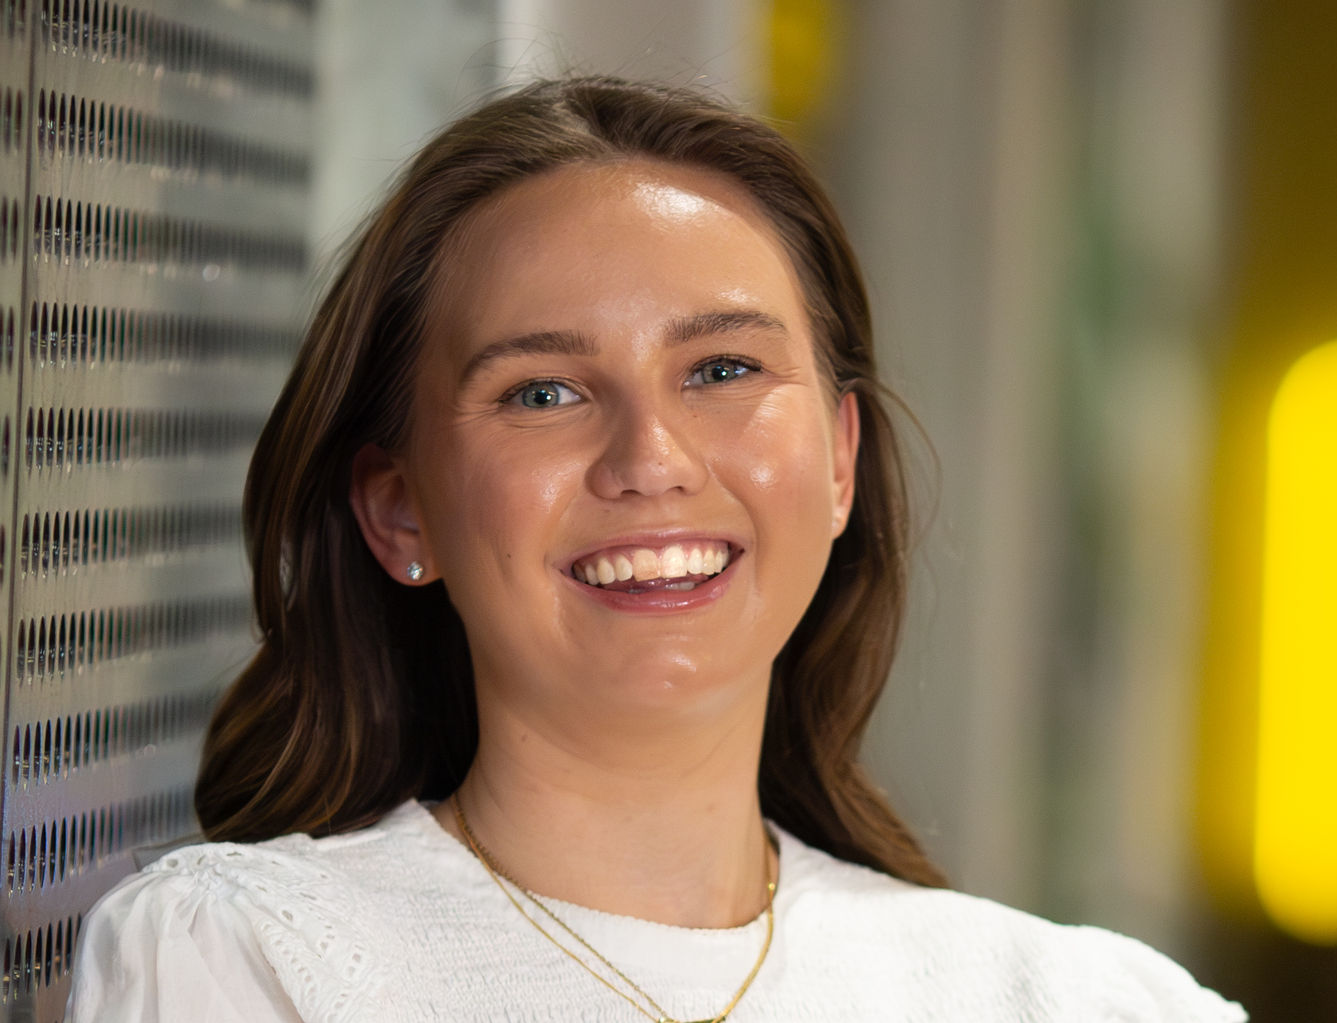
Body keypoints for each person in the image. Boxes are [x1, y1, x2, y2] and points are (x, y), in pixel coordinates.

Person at [65, 76, 1244, 1022]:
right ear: (400, 511)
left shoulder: (1082, 1001)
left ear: (838, 462)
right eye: (542, 392)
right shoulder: (237, 963)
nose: (652, 457)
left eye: (722, 370)